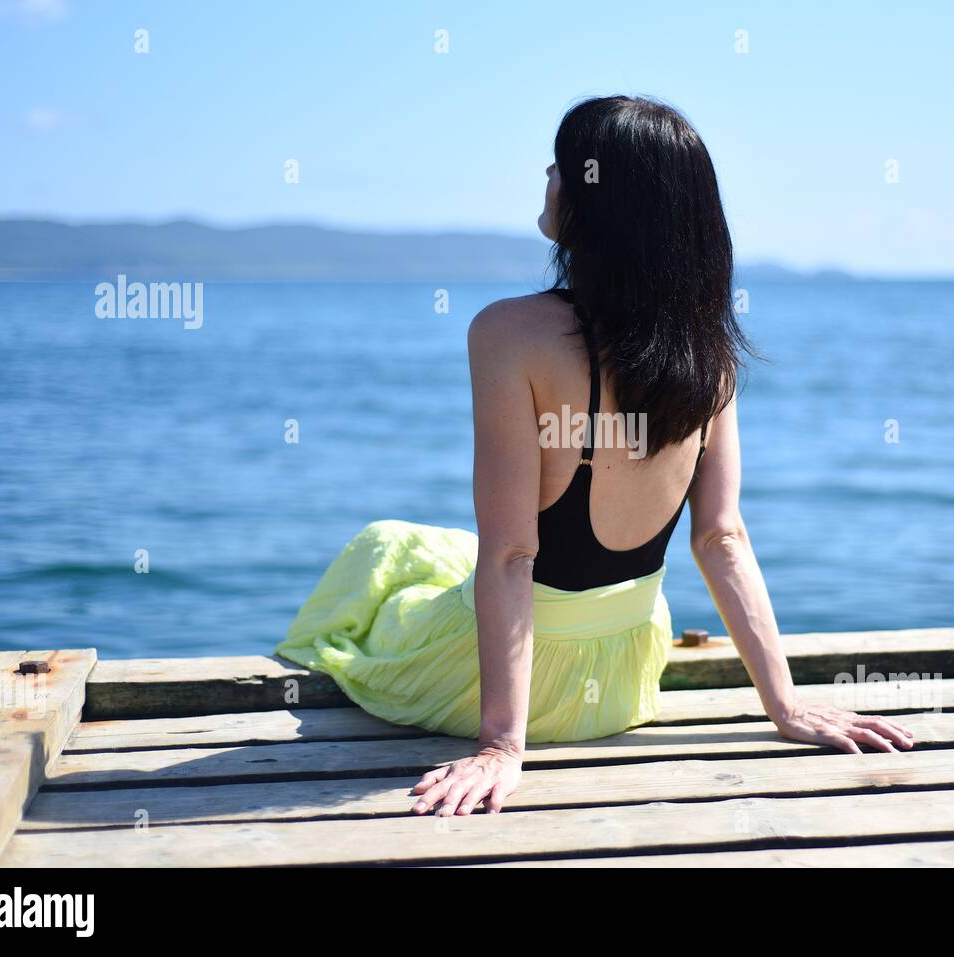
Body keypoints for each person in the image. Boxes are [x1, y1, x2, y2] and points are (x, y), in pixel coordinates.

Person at [275, 95, 914, 817]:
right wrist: (786, 705)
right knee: (436, 548)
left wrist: (500, 745)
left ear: (599, 203)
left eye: (563, 167)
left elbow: (514, 554)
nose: (551, 175)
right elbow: (721, 537)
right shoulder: (712, 357)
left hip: (502, 691)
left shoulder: (508, 333)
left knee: (383, 549)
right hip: (622, 684)